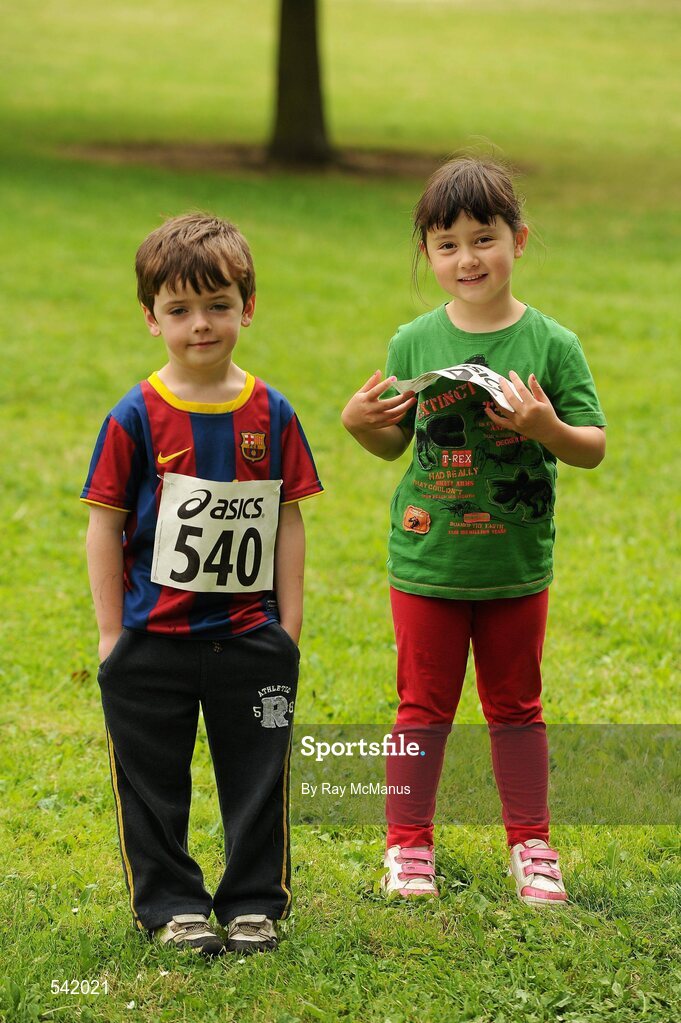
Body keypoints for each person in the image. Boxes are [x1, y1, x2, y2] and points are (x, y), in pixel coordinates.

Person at [341, 157, 606, 906]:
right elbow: (397, 444)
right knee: (421, 708)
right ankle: (407, 846)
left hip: (515, 562)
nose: (467, 258)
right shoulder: (411, 342)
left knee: (516, 705)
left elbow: (590, 445)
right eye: (447, 243)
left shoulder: (552, 344)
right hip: (427, 560)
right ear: (426, 253)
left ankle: (530, 843)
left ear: (518, 241)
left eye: (483, 238)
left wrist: (543, 425)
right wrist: (359, 426)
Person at [81, 213, 322, 954]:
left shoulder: (272, 412)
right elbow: (104, 525)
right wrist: (113, 635)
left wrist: (288, 625)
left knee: (256, 777)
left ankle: (253, 901)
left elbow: (286, 520)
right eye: (179, 309)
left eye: (218, 305)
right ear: (150, 318)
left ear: (247, 306)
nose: (201, 324)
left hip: (249, 638)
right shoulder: (135, 415)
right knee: (152, 783)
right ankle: (173, 905)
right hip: (153, 636)